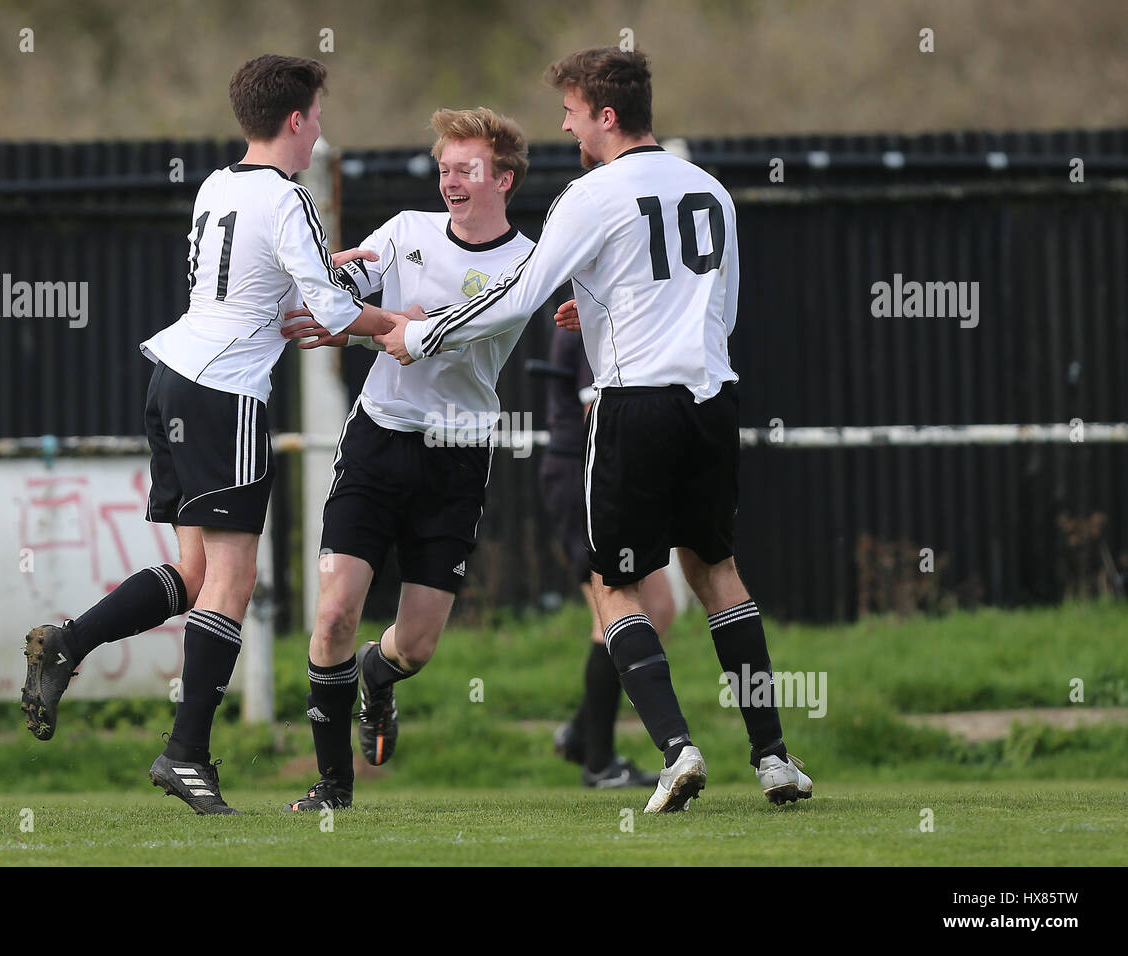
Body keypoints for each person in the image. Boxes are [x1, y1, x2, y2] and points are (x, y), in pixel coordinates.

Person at [378, 47, 813, 811]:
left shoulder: (589, 193)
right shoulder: (710, 188)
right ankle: (774, 756)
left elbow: (517, 296)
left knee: (613, 587)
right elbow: (720, 307)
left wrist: (418, 335)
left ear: (606, 117)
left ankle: (676, 751)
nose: (566, 124)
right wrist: (612, 303)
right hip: (711, 397)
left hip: (632, 405)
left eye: (573, 111)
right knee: (717, 571)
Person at [19, 54, 402, 815]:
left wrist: (330, 271)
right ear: (297, 120)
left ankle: (70, 643)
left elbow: (256, 278)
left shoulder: (217, 184)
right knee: (231, 582)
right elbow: (322, 311)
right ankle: (186, 753)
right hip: (225, 390)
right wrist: (392, 326)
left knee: (196, 575)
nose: (321, 125)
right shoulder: (290, 197)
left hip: (173, 375)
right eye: (318, 114)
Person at [277, 107, 537, 811]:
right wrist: (329, 285)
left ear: (503, 179)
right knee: (333, 613)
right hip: (378, 437)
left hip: (457, 452)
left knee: (414, 647)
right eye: (445, 168)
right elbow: (346, 299)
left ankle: (378, 678)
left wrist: (367, 329)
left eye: (467, 169)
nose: (451, 181)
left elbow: (445, 335)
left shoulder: (526, 265)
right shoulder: (403, 232)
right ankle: (333, 787)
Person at [536, 327, 672, 788]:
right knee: (610, 615)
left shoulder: (620, 309)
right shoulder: (589, 317)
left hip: (615, 476)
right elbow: (600, 410)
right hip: (583, 473)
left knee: (659, 610)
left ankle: (581, 733)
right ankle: (598, 763)